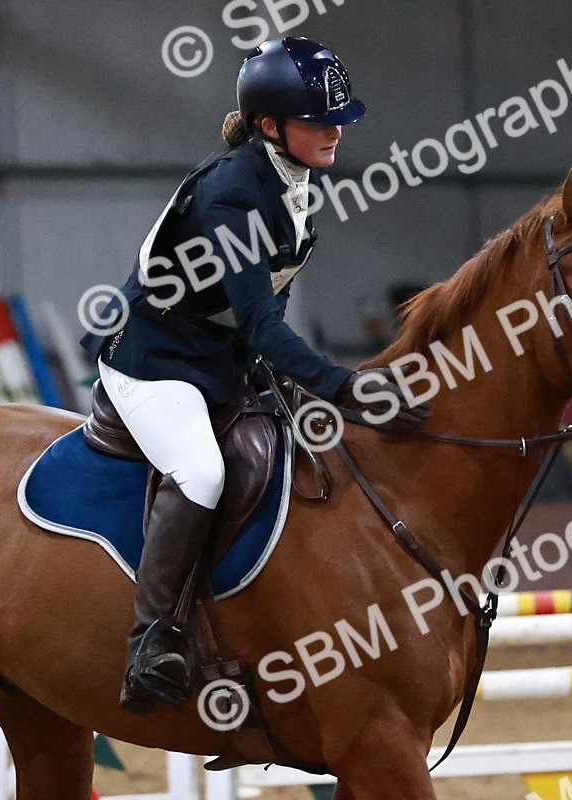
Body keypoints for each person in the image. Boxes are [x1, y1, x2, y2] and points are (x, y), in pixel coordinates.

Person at [78, 36, 427, 714]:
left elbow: (273, 299)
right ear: (269, 125)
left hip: (219, 353)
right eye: (318, 121)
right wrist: (341, 385)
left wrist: (288, 381)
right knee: (202, 473)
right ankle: (150, 641)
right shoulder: (231, 194)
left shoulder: (296, 184)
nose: (335, 131)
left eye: (339, 119)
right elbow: (262, 322)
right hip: (153, 356)